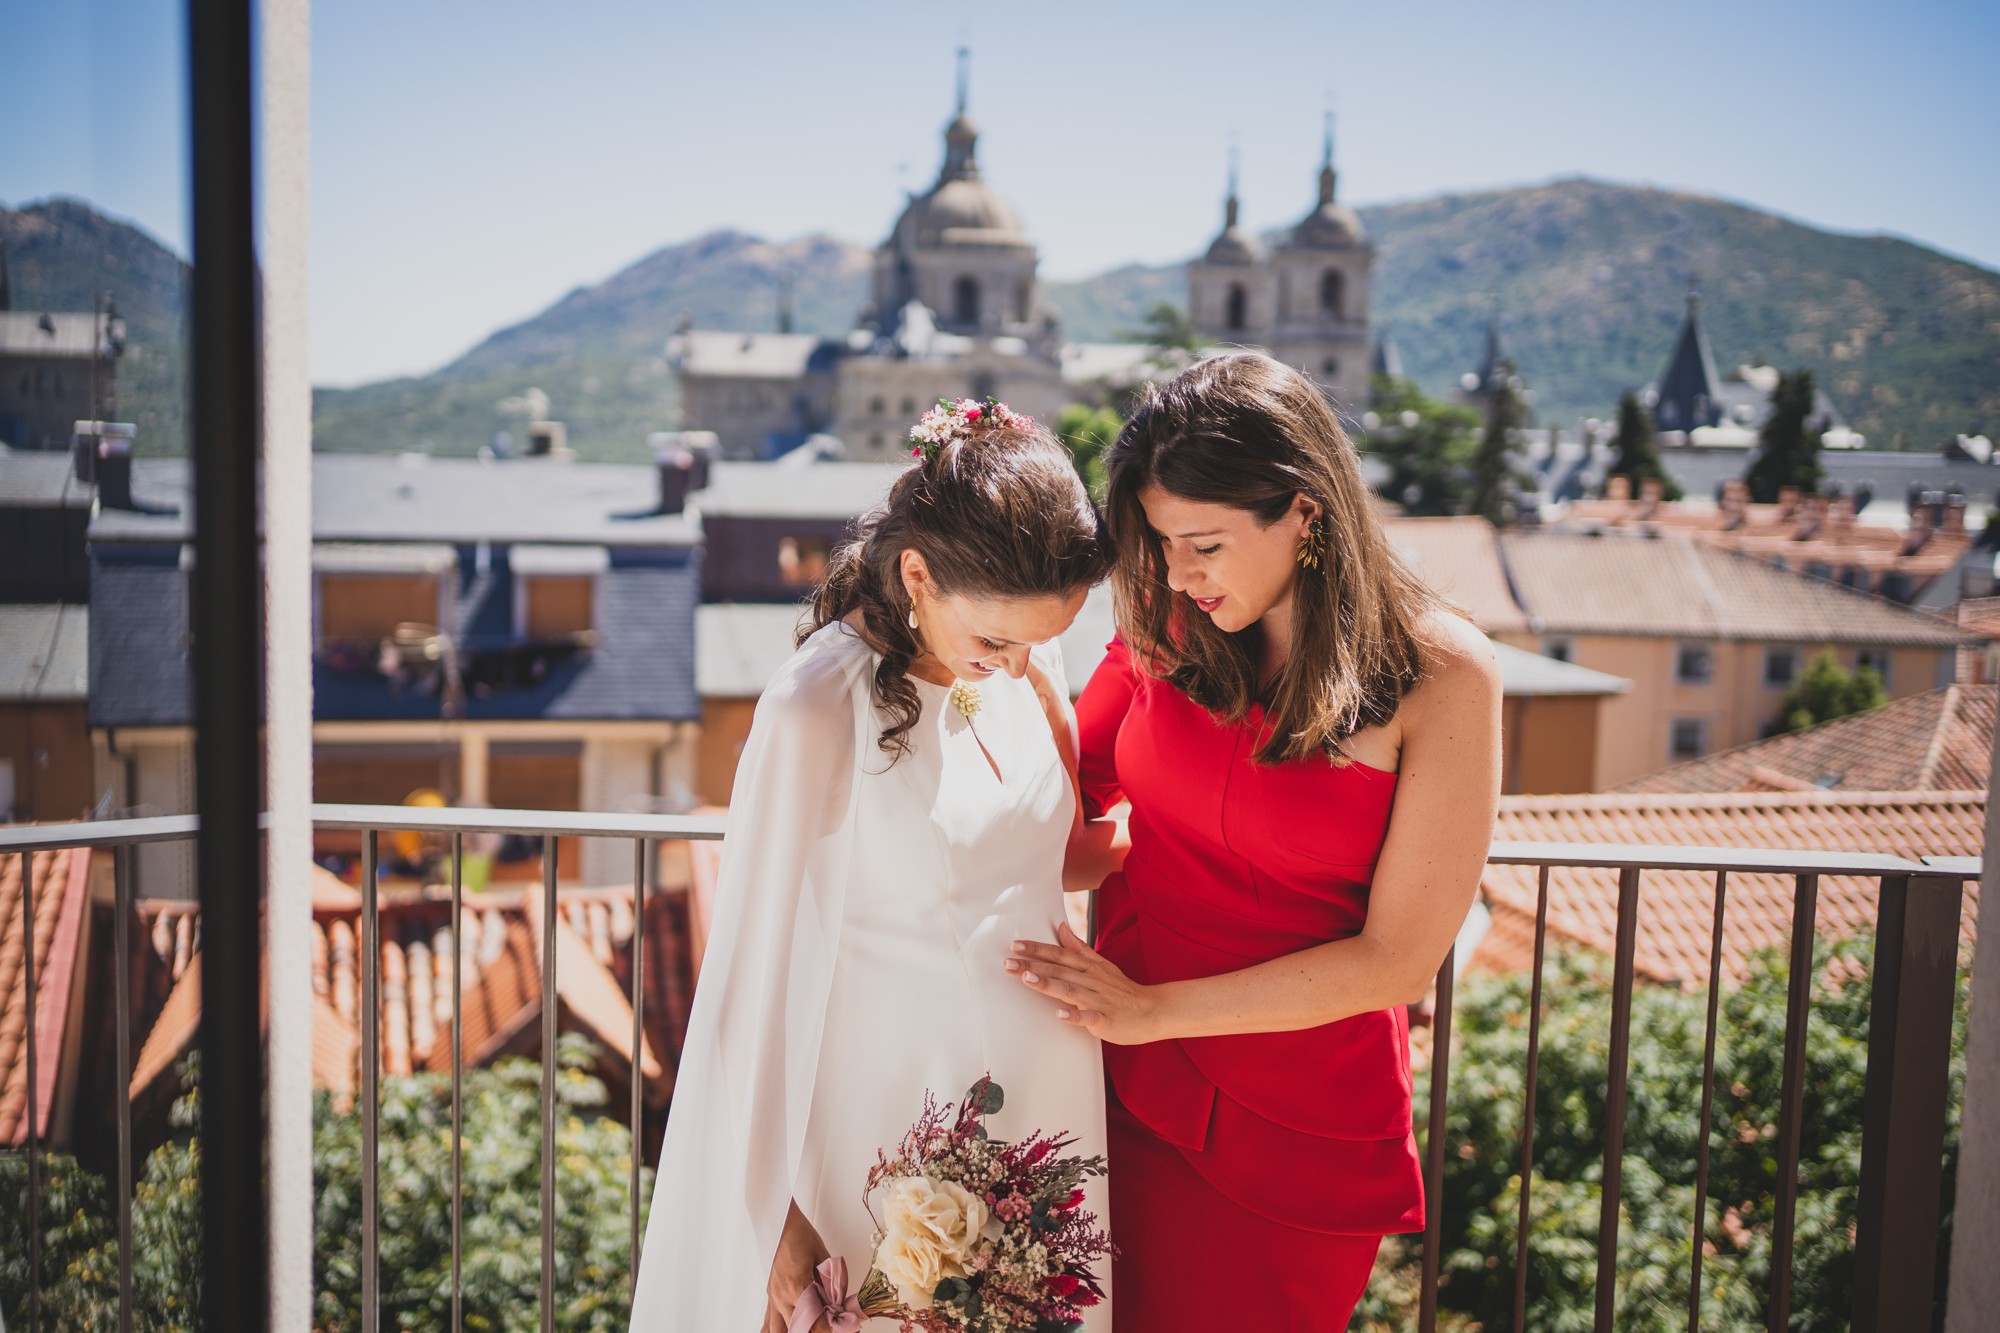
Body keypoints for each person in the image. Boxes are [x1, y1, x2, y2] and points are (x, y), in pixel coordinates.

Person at [1009, 354, 1501, 1329]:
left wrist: (1151, 1011)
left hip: (1292, 1130)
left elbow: (1398, 960)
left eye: (1204, 543)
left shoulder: (1441, 672)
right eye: (1159, 541)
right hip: (1109, 1081)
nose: (1176, 572)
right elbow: (1059, 796)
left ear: (1305, 511)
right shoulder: (1169, 618)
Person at [630, 401, 1114, 1332]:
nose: (1020, 666)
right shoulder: (816, 706)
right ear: (918, 574)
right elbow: (743, 978)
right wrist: (775, 1216)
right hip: (895, 1115)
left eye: (1039, 640)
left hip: (1051, 1098)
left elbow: (1043, 854)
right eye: (997, 642)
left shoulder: (1022, 655)